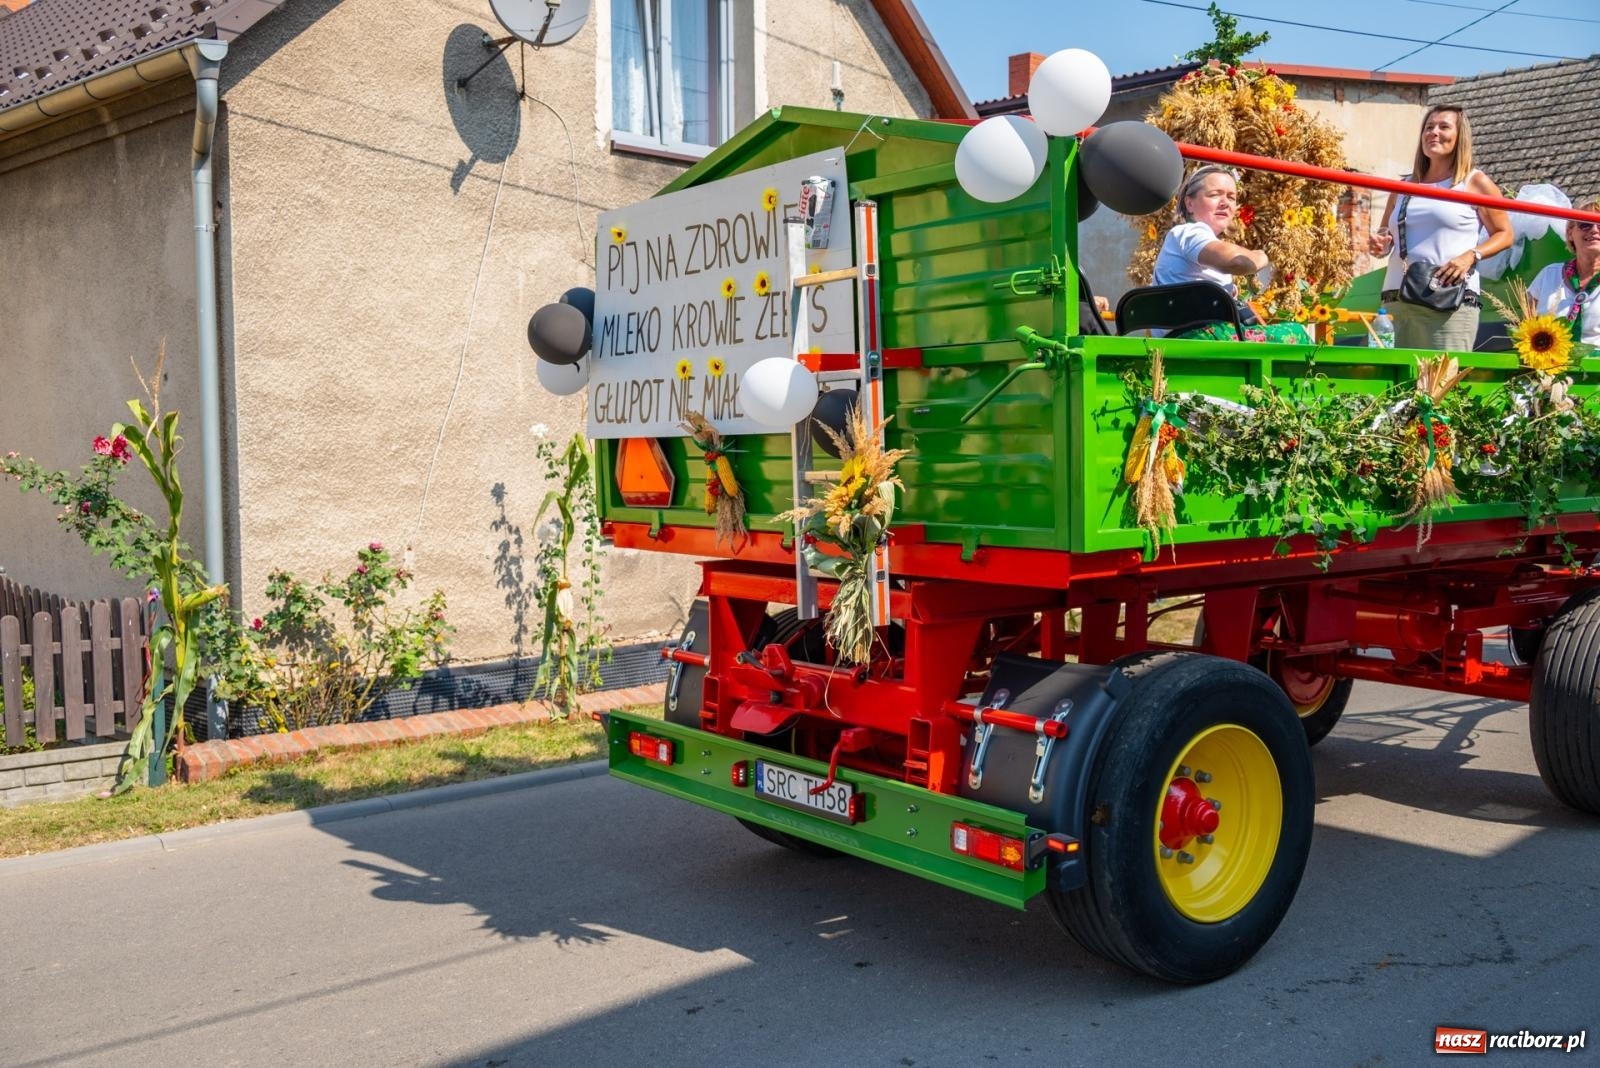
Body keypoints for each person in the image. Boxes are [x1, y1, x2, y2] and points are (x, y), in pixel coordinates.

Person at [1370, 105, 1513, 351]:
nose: (1433, 132)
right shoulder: (1403, 186)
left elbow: (1505, 233)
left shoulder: (1474, 182)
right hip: (1395, 299)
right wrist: (1381, 245)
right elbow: (1386, 235)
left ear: (1460, 136)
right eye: (1428, 127)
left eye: (1443, 126)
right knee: (1394, 386)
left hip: (1448, 299)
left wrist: (1471, 256)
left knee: (1441, 383)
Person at [1153, 165, 1309, 343]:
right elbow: (1238, 262)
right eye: (1214, 194)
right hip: (1201, 338)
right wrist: (1261, 256)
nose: (1225, 203)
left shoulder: (1184, 238)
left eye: (1231, 197)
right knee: (1298, 333)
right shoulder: (1190, 233)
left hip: (1186, 340)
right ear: (1189, 203)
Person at [1526, 199, 1600, 346]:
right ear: (1570, 233)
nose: (1594, 230)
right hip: (1550, 363)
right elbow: (1526, 324)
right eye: (1585, 224)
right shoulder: (1548, 275)